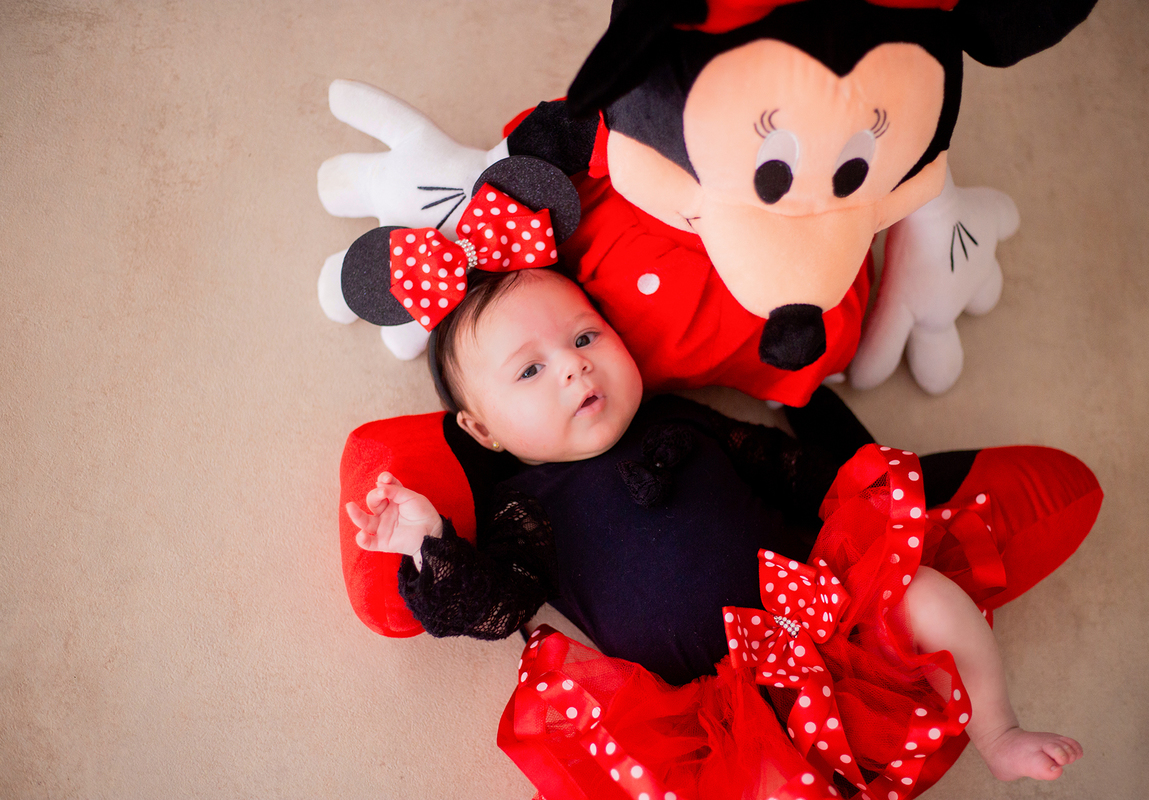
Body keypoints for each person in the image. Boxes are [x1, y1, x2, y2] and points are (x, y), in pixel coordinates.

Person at [347, 267, 1090, 796]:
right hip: (722, 715)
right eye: (530, 372)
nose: (574, 368)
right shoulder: (523, 509)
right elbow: (491, 605)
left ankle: (999, 731)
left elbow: (785, 468)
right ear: (484, 432)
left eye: (585, 336)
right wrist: (427, 543)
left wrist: (860, 487)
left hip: (830, 613)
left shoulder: (677, 419)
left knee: (924, 591)